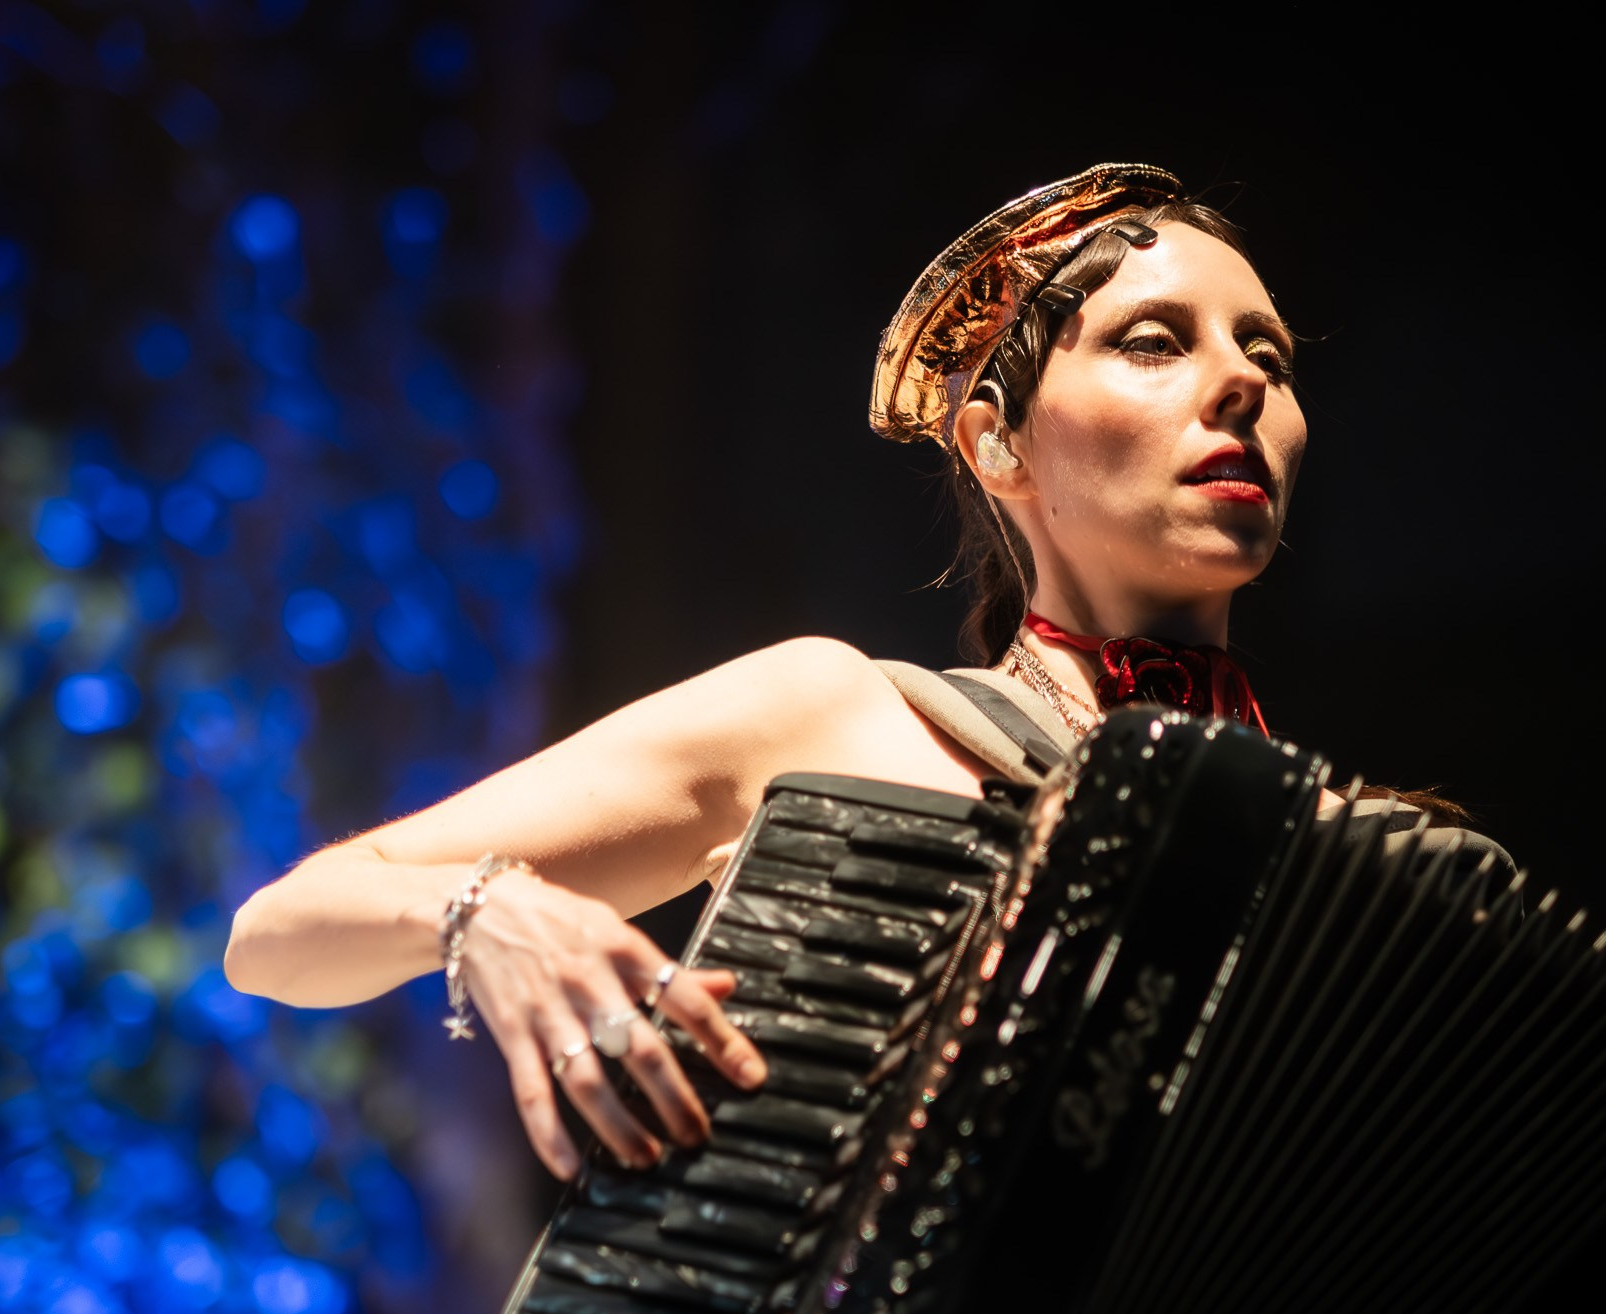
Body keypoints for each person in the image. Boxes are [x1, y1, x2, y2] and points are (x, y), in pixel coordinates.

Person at [225, 162, 1430, 1188]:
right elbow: (276, 938)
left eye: (1266, 351)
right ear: (995, 442)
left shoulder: (1357, 867)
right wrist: (483, 911)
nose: (1243, 383)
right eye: (1153, 341)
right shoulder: (834, 716)